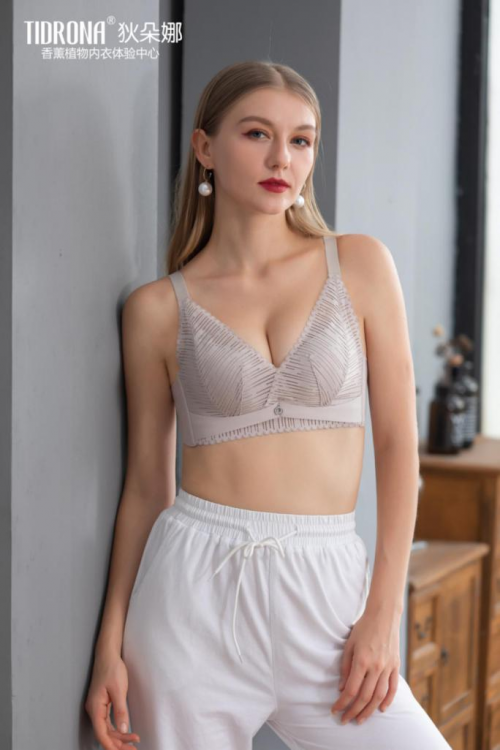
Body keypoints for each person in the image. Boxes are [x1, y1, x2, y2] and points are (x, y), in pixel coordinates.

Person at [85, 61, 452, 750]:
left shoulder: (360, 265)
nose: (283, 158)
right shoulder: (157, 310)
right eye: (257, 134)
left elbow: (399, 449)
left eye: (301, 140)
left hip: (328, 597)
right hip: (191, 598)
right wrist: (110, 643)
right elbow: (146, 488)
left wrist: (383, 614)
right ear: (205, 148)